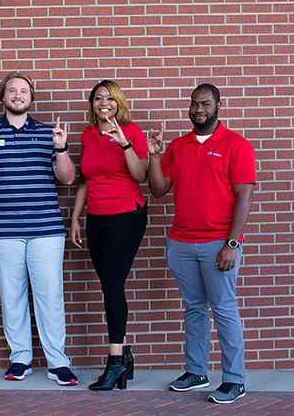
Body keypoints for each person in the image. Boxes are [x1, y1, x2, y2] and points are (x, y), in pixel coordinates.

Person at [0, 72, 78, 386]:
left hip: (46, 229)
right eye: (12, 91)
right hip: (2, 231)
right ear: (3, 97)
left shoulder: (49, 133)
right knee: (11, 297)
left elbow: (68, 178)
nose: (18, 95)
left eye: (23, 91)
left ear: (31, 98)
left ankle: (58, 363)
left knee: (50, 296)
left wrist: (61, 148)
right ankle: (20, 359)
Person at [148, 83, 256, 404]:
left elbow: (245, 197)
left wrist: (232, 244)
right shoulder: (177, 147)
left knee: (223, 309)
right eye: (194, 104)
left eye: (206, 104)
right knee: (194, 308)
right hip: (181, 243)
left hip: (218, 244)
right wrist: (154, 156)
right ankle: (196, 372)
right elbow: (157, 189)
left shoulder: (236, 145)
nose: (199, 110)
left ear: (218, 106)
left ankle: (235, 380)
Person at [70, 80, 148, 391]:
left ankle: (114, 362)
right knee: (108, 285)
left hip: (126, 215)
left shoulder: (132, 131)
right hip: (96, 218)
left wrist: (124, 143)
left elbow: (141, 175)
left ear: (119, 103)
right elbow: (87, 180)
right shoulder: (88, 134)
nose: (104, 103)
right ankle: (125, 355)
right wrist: (75, 218)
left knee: (113, 286)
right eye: (98, 98)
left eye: (110, 98)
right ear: (92, 104)